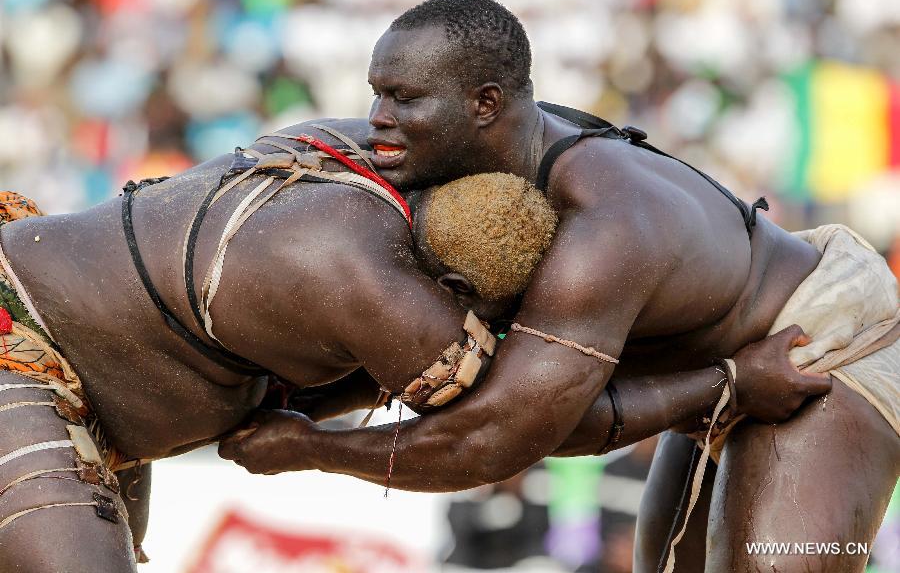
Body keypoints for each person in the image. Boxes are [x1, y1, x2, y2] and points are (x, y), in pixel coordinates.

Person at [220, 0, 900, 573]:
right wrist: (299, 398)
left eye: (402, 97)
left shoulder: (604, 226)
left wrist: (310, 448)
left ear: (485, 103)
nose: (377, 116)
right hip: (731, 365)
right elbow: (464, 356)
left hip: (816, 347)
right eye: (376, 91)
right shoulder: (489, 153)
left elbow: (500, 436)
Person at [0, 114, 807, 571]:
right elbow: (517, 428)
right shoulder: (391, 302)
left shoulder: (352, 148)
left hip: (65, 319)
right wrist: (727, 382)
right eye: (489, 318)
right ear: (458, 295)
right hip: (28, 354)